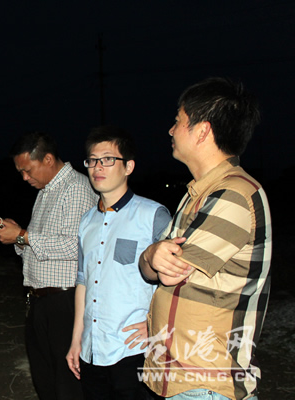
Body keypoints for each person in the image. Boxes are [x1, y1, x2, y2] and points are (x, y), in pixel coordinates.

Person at [139, 77, 272, 400]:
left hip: (207, 382)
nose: (171, 130)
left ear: (202, 131)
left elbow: (168, 271)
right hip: (185, 378)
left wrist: (153, 256)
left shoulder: (235, 194)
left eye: (178, 121)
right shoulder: (197, 194)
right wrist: (152, 254)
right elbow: (150, 267)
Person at [65, 126, 171, 399]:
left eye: (108, 159)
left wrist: (155, 325)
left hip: (134, 349)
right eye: (92, 160)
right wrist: (76, 340)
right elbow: (83, 282)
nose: (98, 167)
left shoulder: (153, 215)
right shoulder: (87, 221)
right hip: (92, 348)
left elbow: (176, 282)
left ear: (128, 167)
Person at [0, 131, 97, 400]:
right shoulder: (46, 191)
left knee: (67, 383)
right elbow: (40, 246)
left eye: (27, 170)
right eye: (21, 172)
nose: (25, 178)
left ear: (48, 159)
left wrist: (23, 236)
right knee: (45, 379)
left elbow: (76, 246)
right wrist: (17, 237)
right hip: (40, 301)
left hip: (65, 301)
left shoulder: (76, 188)